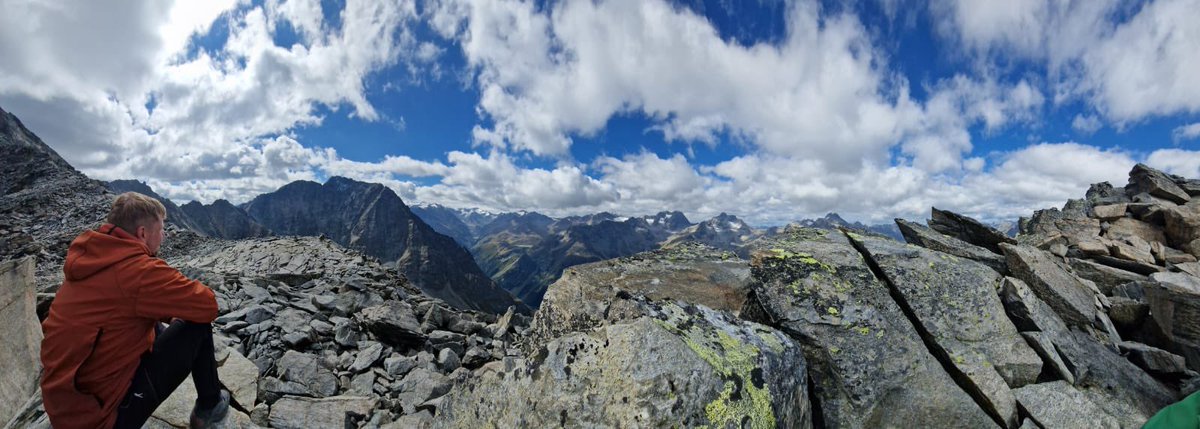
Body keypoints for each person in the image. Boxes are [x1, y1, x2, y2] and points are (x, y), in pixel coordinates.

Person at [40, 192, 230, 429]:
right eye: (161, 229)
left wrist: (163, 307)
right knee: (196, 324)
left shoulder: (91, 259)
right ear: (142, 233)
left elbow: (122, 304)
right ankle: (209, 409)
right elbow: (207, 305)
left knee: (152, 319)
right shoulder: (137, 270)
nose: (164, 235)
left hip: (66, 408)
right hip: (103, 420)